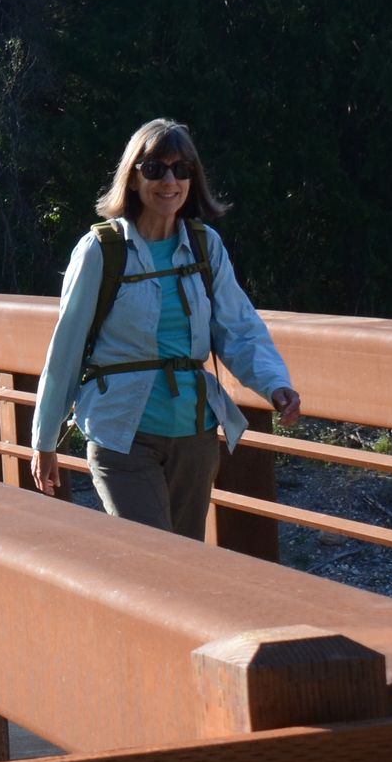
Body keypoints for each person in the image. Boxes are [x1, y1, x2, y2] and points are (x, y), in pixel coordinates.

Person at [26, 119, 300, 539]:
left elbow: (239, 328)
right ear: (133, 179)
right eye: (155, 169)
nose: (169, 180)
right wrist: (45, 438)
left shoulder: (206, 246)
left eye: (181, 169)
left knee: (184, 564)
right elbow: (66, 349)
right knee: (152, 556)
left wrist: (275, 384)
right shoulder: (102, 250)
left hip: (194, 433)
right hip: (122, 433)